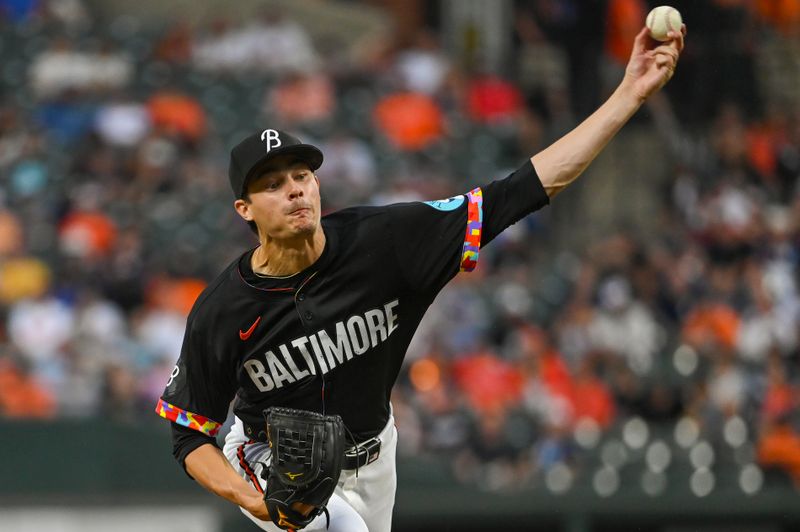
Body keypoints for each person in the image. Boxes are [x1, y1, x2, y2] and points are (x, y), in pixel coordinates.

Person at [155, 25, 685, 532]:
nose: (295, 190)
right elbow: (187, 433)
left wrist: (629, 95)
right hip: (269, 460)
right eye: (273, 184)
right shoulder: (223, 309)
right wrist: (253, 499)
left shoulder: (386, 242)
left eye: (302, 175)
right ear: (244, 209)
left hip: (375, 452)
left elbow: (518, 191)